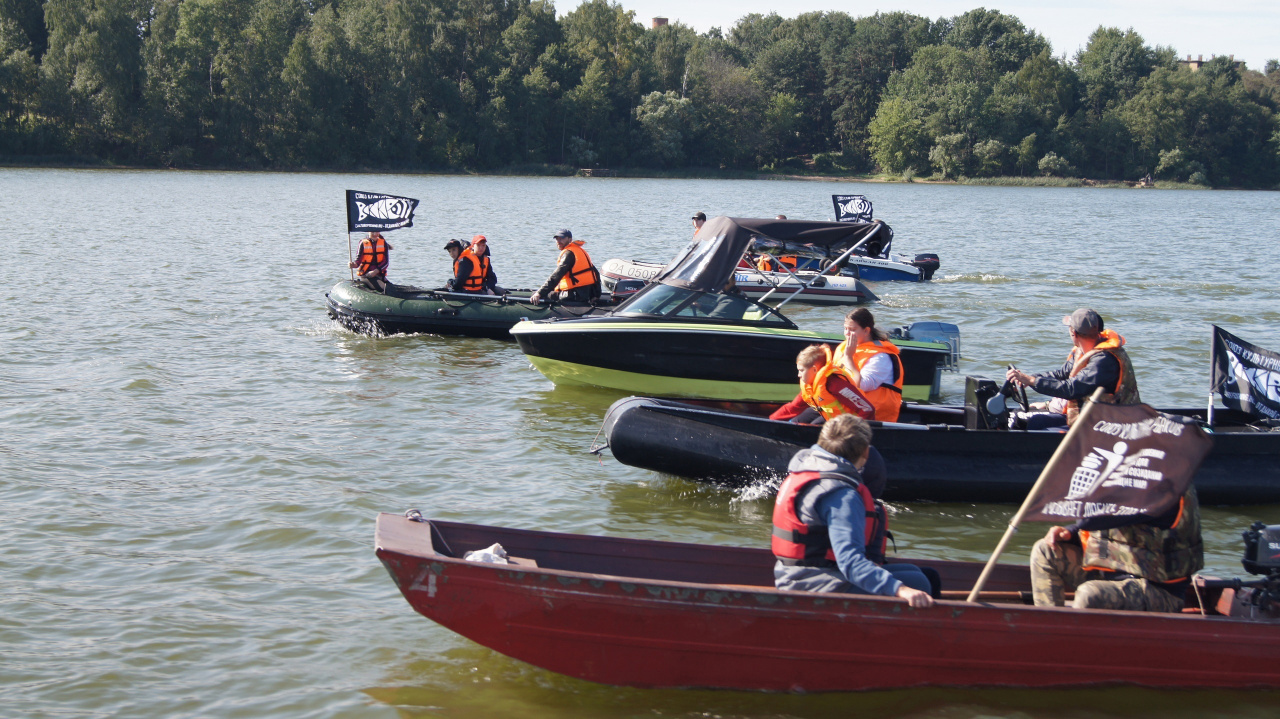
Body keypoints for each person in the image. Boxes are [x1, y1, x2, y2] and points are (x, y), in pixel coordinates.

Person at [772, 414, 935, 607]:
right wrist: (901, 590)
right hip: (812, 584)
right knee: (919, 583)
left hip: (796, 575)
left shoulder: (805, 471)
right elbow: (850, 562)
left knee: (917, 573)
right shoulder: (841, 494)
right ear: (866, 453)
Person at [1029, 487, 1203, 612]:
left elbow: (1093, 519)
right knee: (1045, 550)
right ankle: (1054, 633)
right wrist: (1070, 532)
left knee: (1090, 594)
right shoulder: (1130, 481)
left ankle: (1077, 648)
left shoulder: (1165, 490)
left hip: (1158, 594)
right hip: (1109, 576)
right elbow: (1108, 527)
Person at [1005, 308, 1140, 429]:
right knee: (1019, 413)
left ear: (1073, 333)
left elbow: (1071, 389)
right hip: (1089, 415)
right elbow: (1062, 374)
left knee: (1023, 421)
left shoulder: (1103, 361)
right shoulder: (1083, 350)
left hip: (1107, 424)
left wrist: (1033, 381)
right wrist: (1028, 379)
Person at [770, 344, 876, 423]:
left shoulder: (834, 384)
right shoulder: (810, 386)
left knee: (812, 430)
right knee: (794, 423)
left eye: (801, 371)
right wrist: (771, 421)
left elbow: (867, 409)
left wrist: (852, 434)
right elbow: (793, 407)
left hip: (848, 423)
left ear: (815, 370)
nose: (798, 375)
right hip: (828, 415)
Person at [837, 308, 904, 422]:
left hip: (869, 417)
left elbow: (862, 385)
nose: (847, 333)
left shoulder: (880, 357)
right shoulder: (845, 347)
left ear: (866, 331)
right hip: (843, 407)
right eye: (845, 328)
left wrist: (848, 357)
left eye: (852, 329)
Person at [531, 229, 601, 305]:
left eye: (562, 238)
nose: (558, 241)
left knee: (535, 294)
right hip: (586, 294)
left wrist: (539, 293)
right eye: (557, 239)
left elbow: (556, 276)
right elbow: (595, 273)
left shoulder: (568, 253)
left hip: (572, 295)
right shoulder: (578, 251)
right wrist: (596, 295)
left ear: (570, 239)